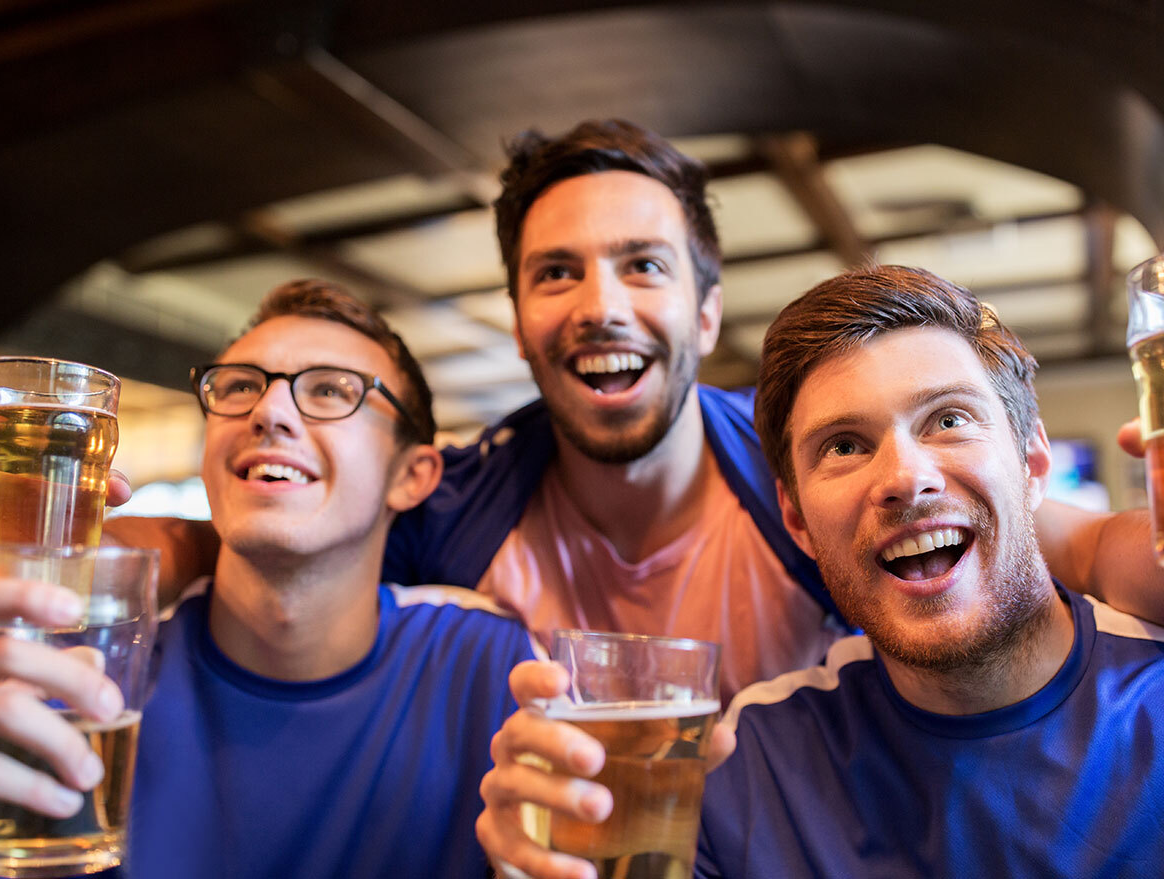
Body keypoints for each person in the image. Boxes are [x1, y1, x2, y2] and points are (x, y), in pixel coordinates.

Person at [101, 120, 1164, 706]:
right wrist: (69, 554)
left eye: (642, 265)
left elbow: (1080, 547)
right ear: (521, 325)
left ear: (705, 312)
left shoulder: (813, 473)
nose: (600, 306)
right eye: (556, 273)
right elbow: (249, 546)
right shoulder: (459, 504)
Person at [477, 265, 1164, 878]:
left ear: (1034, 462)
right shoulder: (746, 765)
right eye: (844, 446)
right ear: (797, 519)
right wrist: (547, 861)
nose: (905, 478)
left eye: (949, 419)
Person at [0, 279, 538, 878]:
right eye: (239, 387)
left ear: (412, 477)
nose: (269, 412)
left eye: (331, 390)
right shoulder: (81, 667)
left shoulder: (488, 665)